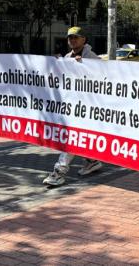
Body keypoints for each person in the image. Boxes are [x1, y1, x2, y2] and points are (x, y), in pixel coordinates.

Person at [43, 27, 103, 186]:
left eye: (76, 37)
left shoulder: (92, 57)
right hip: (73, 106)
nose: (72, 40)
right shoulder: (68, 57)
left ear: (84, 39)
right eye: (70, 38)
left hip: (88, 107)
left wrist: (84, 66)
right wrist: (57, 64)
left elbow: (102, 77)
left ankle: (59, 171)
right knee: (78, 136)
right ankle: (92, 161)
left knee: (72, 137)